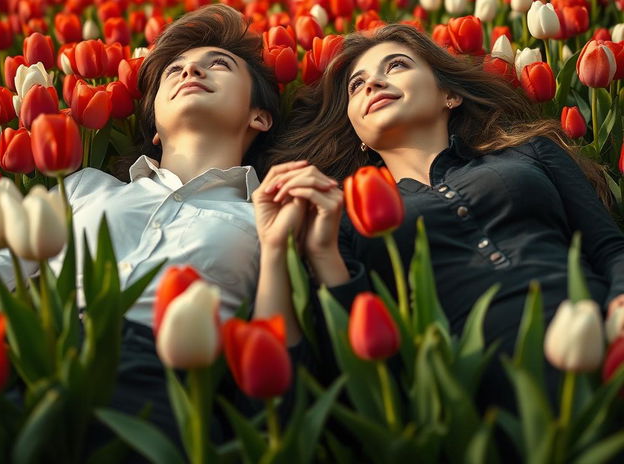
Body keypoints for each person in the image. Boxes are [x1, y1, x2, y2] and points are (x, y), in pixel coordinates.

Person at [0, 3, 308, 453]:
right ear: (154, 123)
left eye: (218, 64)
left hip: (155, 376)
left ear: (260, 116)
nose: (190, 70)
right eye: (174, 69)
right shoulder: (83, 186)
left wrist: (275, 245)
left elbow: (272, 340)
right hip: (36, 353)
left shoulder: (266, 212)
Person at [264, 22, 624, 412]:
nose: (372, 84)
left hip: (597, 338)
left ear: (449, 95)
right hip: (475, 401)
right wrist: (322, 254)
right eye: (356, 85)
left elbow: (608, 246)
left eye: (396, 66)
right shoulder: (346, 216)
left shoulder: (530, 151)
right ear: (359, 134)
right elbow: (360, 363)